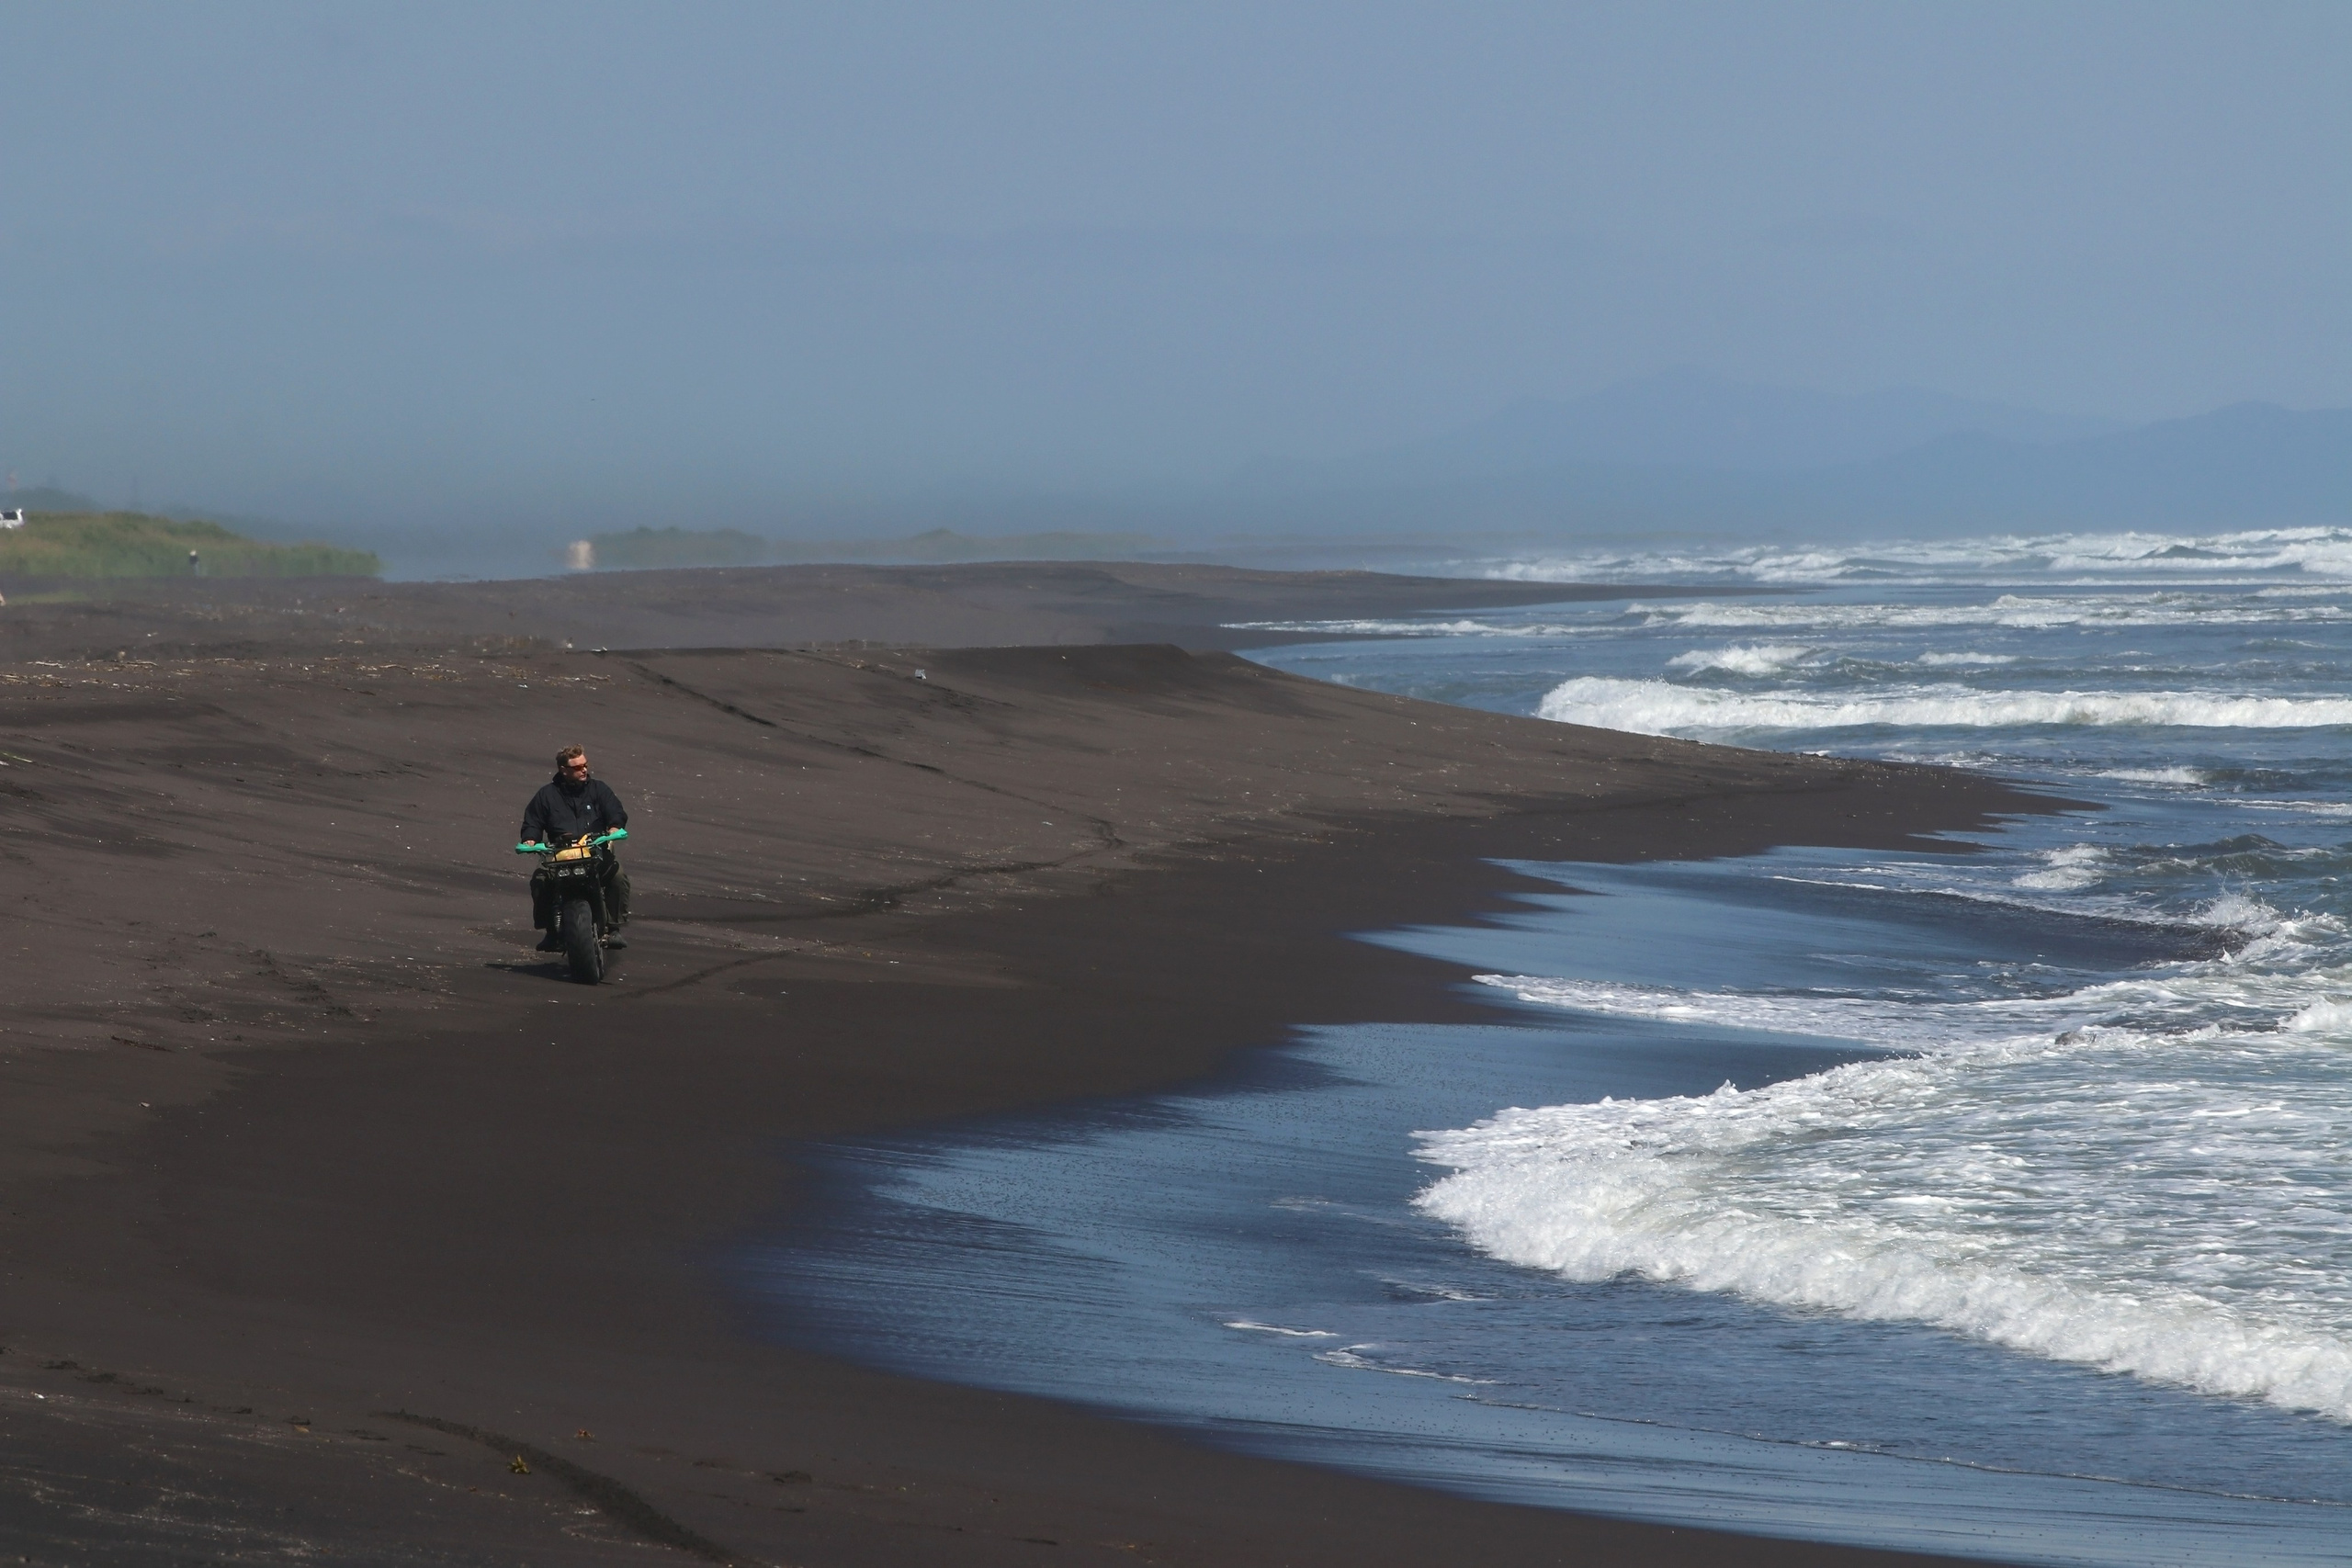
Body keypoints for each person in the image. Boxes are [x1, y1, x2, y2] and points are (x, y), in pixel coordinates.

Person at [520, 745, 631, 951]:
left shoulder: (599, 789)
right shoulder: (546, 795)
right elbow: (533, 821)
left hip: (595, 849)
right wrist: (530, 840)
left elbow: (614, 810)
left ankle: (614, 929)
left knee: (617, 877)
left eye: (585, 765)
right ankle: (551, 932)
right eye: (578, 767)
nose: (584, 770)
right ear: (564, 770)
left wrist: (615, 827)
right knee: (540, 880)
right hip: (559, 854)